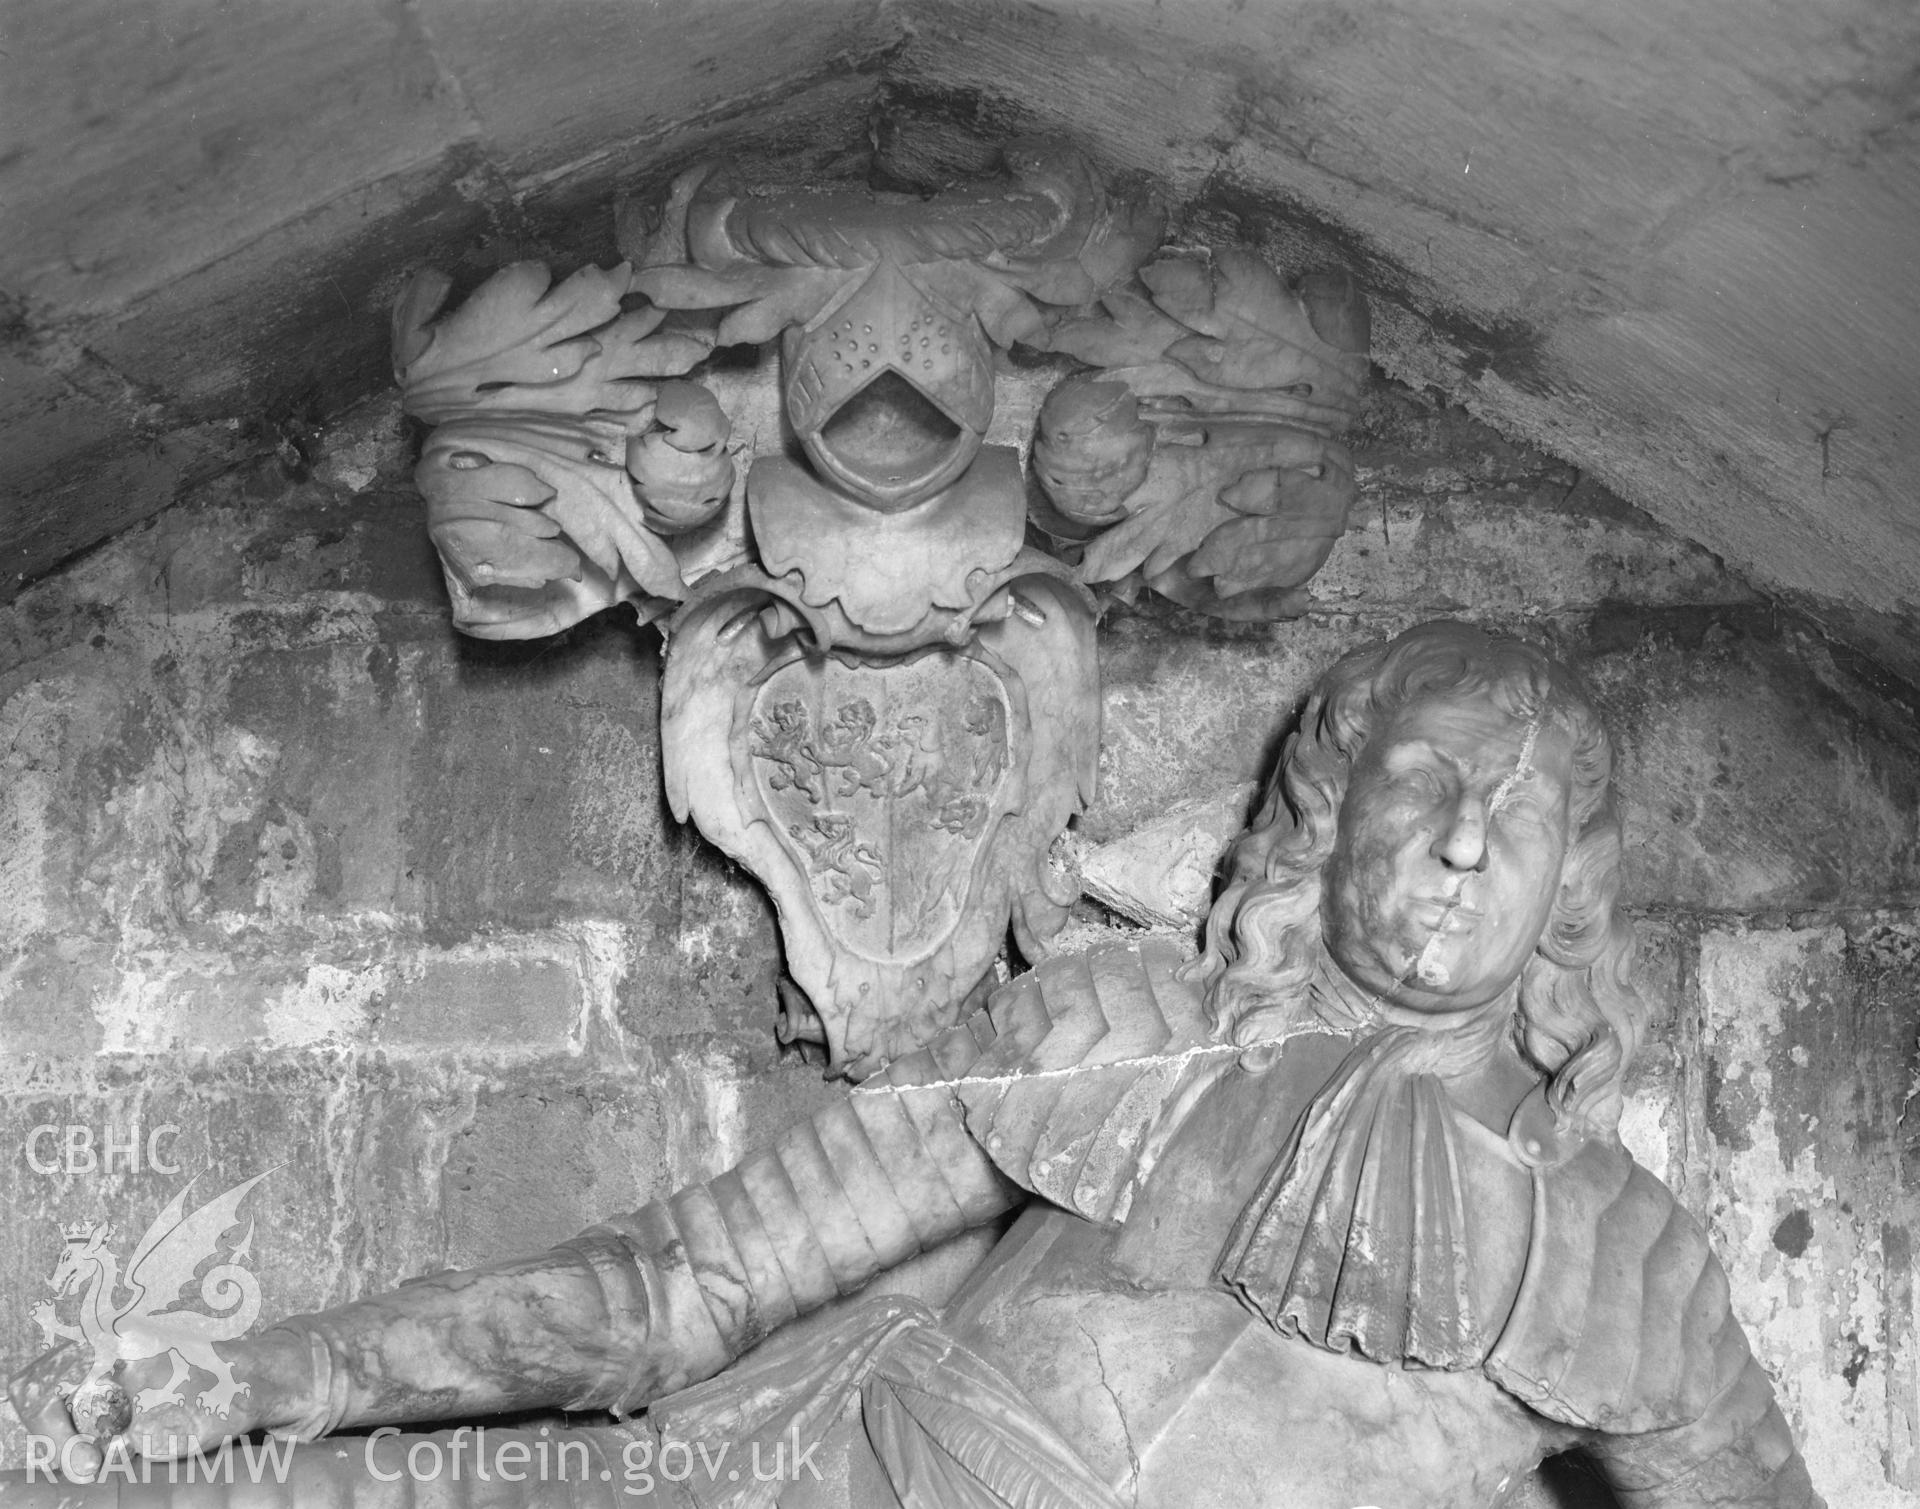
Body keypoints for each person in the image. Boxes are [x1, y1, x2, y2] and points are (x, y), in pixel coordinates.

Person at [11, 621, 1821, 1508]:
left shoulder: (1631, 1268)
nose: (1455, 844)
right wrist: (298, 1364)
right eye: (1424, 782)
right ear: (1332, 814)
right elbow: (695, 1276)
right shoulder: (1121, 1033)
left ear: (1573, 881)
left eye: (1513, 813)